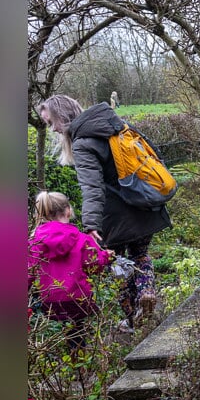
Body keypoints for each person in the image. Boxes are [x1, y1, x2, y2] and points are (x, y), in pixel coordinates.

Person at [38, 94, 172, 333]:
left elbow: (92, 188)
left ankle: (132, 321)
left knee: (114, 264)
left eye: (52, 122)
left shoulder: (82, 142)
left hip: (115, 216)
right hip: (144, 203)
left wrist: (91, 225)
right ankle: (147, 292)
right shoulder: (114, 125)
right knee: (140, 255)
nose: (54, 129)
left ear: (62, 116)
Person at [28, 191, 113, 348]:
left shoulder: (34, 242)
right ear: (68, 211)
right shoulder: (81, 238)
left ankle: (68, 359)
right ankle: (80, 363)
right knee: (77, 331)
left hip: (49, 300)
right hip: (78, 298)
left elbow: (28, 272)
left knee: (62, 332)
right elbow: (93, 265)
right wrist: (107, 257)